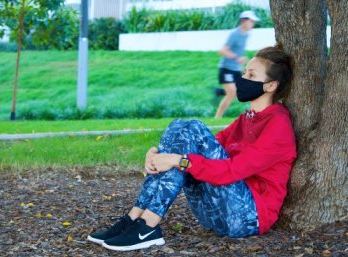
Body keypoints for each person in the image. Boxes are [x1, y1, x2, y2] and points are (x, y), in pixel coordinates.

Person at [87, 45, 296, 252]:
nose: (242, 79)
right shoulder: (246, 119)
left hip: (247, 218)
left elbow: (231, 171)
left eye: (251, 75)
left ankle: (148, 225)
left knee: (193, 130)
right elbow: (200, 146)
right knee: (180, 126)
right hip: (217, 211)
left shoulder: (278, 125)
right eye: (244, 73)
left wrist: (178, 160)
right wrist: (158, 155)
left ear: (270, 86)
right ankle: (133, 219)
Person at [214, 10, 260, 118]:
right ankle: (217, 118)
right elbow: (222, 50)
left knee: (244, 92)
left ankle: (220, 92)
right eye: (251, 21)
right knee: (231, 93)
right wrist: (237, 58)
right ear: (244, 21)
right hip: (226, 68)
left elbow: (238, 50)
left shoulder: (246, 35)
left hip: (236, 69)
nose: (253, 24)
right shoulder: (235, 34)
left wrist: (244, 63)